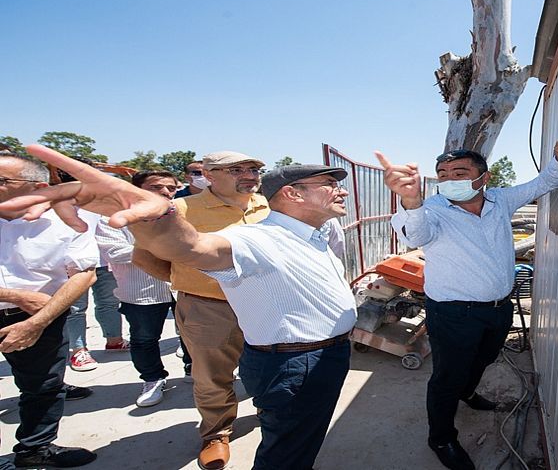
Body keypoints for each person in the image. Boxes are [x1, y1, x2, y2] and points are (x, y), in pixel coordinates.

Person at [0, 146, 358, 470]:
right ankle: (217, 434)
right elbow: (192, 247)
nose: (341, 190)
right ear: (293, 194)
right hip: (284, 351)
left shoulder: (309, 230)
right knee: (276, 442)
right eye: (329, 183)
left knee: (293, 433)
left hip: (311, 349)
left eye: (253, 170)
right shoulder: (254, 234)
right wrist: (155, 219)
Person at [375, 138, 558, 470]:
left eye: (459, 172)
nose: (449, 180)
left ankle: (468, 393)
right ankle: (441, 438)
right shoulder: (429, 211)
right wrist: (411, 201)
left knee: (483, 359)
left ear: (483, 178)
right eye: (442, 174)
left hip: (499, 309)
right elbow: (415, 237)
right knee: (447, 376)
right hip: (453, 314)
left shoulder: (501, 200)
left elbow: (544, 183)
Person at [133, 151, 269, 470]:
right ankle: (216, 433)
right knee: (211, 375)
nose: (249, 174)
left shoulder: (267, 205)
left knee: (268, 366)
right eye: (236, 169)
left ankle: (270, 414)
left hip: (265, 303)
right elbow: (143, 256)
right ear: (209, 175)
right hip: (209, 308)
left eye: (254, 168)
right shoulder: (181, 209)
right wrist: (186, 279)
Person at [0, 151, 99, 468]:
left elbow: (84, 273)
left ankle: (34, 450)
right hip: (28, 306)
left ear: (37, 186)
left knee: (43, 387)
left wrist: (36, 322)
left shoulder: (69, 222)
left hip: (40, 318)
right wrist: (14, 295)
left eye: (2, 180)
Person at [95, 170, 183, 408]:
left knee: (191, 334)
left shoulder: (182, 213)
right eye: (156, 187)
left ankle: (194, 371)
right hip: (141, 292)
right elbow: (114, 251)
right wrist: (162, 248)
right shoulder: (113, 218)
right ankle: (153, 379)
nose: (165, 192)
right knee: (145, 339)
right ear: (136, 189)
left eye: (171, 188)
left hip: (182, 287)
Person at [58, 159, 128, 372]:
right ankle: (78, 350)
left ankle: (114, 340)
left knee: (108, 303)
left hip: (103, 260)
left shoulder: (102, 197)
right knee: (76, 308)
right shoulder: (56, 199)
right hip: (72, 264)